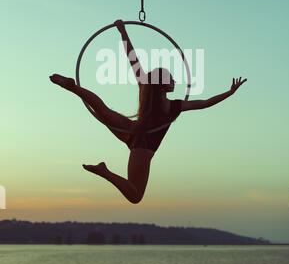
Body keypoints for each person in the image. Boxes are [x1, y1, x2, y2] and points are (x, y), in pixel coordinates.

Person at [49, 19, 247, 204]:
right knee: (135, 196)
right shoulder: (173, 106)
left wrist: (123, 31)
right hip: (143, 147)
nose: (174, 81)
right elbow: (205, 103)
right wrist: (229, 93)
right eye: (171, 79)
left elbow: (132, 58)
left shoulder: (145, 87)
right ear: (164, 85)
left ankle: (72, 87)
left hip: (132, 131)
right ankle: (105, 172)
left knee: (101, 110)